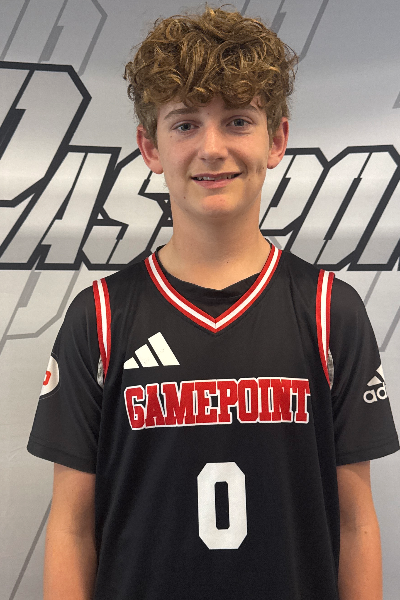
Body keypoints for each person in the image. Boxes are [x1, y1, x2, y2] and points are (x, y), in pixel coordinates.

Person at [28, 6, 399, 600]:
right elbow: (71, 530)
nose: (212, 148)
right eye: (185, 124)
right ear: (149, 146)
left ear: (277, 139)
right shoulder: (99, 318)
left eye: (237, 121)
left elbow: (356, 524)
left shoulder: (332, 312)